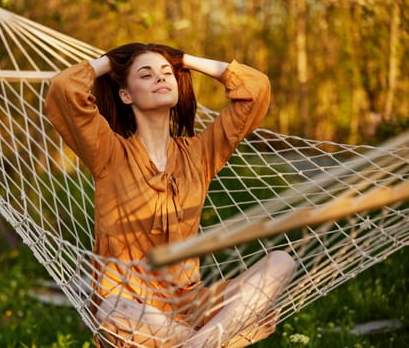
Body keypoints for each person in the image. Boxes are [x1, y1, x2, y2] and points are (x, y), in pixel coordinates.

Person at [45, 43, 296, 347]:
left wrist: (184, 59)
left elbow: (256, 89)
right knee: (113, 307)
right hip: (131, 307)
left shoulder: (199, 154)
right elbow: (63, 89)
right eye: (147, 75)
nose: (161, 79)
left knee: (281, 262)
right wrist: (112, 62)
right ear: (126, 95)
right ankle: (225, 340)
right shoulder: (108, 153)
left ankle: (197, 343)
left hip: (191, 307)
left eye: (167, 74)